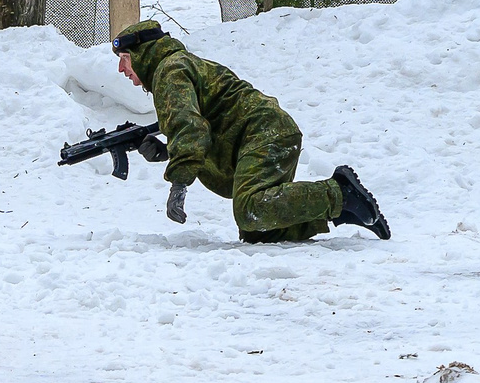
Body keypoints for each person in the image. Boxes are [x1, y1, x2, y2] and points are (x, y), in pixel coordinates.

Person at [111, 19, 390, 243]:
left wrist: (179, 184)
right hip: (266, 133)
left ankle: (339, 194)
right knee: (258, 231)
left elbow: (190, 128)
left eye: (125, 57)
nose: (122, 68)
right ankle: (344, 211)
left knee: (250, 209)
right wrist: (166, 151)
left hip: (264, 133)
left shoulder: (169, 71)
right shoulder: (177, 67)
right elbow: (204, 125)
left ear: (143, 55)